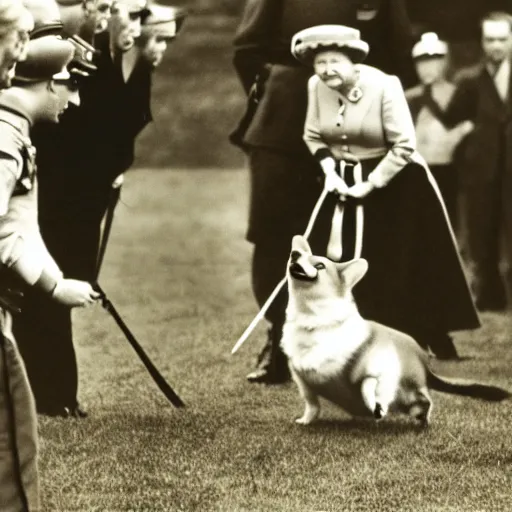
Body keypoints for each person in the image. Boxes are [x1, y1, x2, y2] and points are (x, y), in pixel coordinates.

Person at [231, 0, 418, 384]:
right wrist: (279, 89)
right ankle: (281, 346)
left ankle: (362, 350)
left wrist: (370, 103)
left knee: (361, 240)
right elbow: (247, 50)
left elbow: (399, 50)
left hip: (361, 131)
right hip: (282, 126)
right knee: (276, 237)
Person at [290, 24, 480, 359]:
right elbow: (312, 136)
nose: (327, 70)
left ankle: (428, 334)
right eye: (320, 63)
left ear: (353, 61)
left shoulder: (383, 85)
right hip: (343, 179)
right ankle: (347, 337)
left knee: (404, 258)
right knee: (337, 256)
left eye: (334, 61)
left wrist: (370, 183)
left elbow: (404, 145)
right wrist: (331, 172)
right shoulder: (315, 86)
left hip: (398, 181)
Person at [0, 31, 100, 511]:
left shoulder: (14, 131)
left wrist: (58, 282)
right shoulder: (5, 135)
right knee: (11, 445)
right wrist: (49, 284)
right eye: (72, 87)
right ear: (51, 82)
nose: (74, 101)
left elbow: (23, 223)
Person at [423, 11, 512, 312]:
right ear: (482, 42)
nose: (496, 46)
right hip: (481, 171)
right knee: (481, 234)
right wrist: (430, 92)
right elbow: (450, 118)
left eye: (502, 39)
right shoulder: (470, 80)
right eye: (490, 39)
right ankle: (488, 298)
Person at [405, 32, 474, 231]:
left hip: (450, 168)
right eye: (421, 61)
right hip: (417, 168)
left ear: (444, 62)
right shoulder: (409, 96)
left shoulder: (458, 93)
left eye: (434, 60)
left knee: (449, 219)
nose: (427, 66)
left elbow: (468, 126)